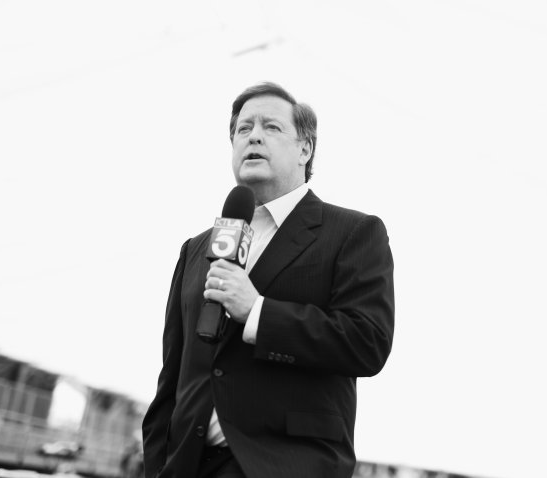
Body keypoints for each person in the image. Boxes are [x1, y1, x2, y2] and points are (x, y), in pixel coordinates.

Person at [142, 82, 395, 478]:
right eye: (243, 129)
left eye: (271, 127)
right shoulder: (196, 249)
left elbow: (368, 342)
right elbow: (172, 375)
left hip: (285, 465)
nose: (254, 136)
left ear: (305, 149)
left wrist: (257, 312)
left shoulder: (352, 233)